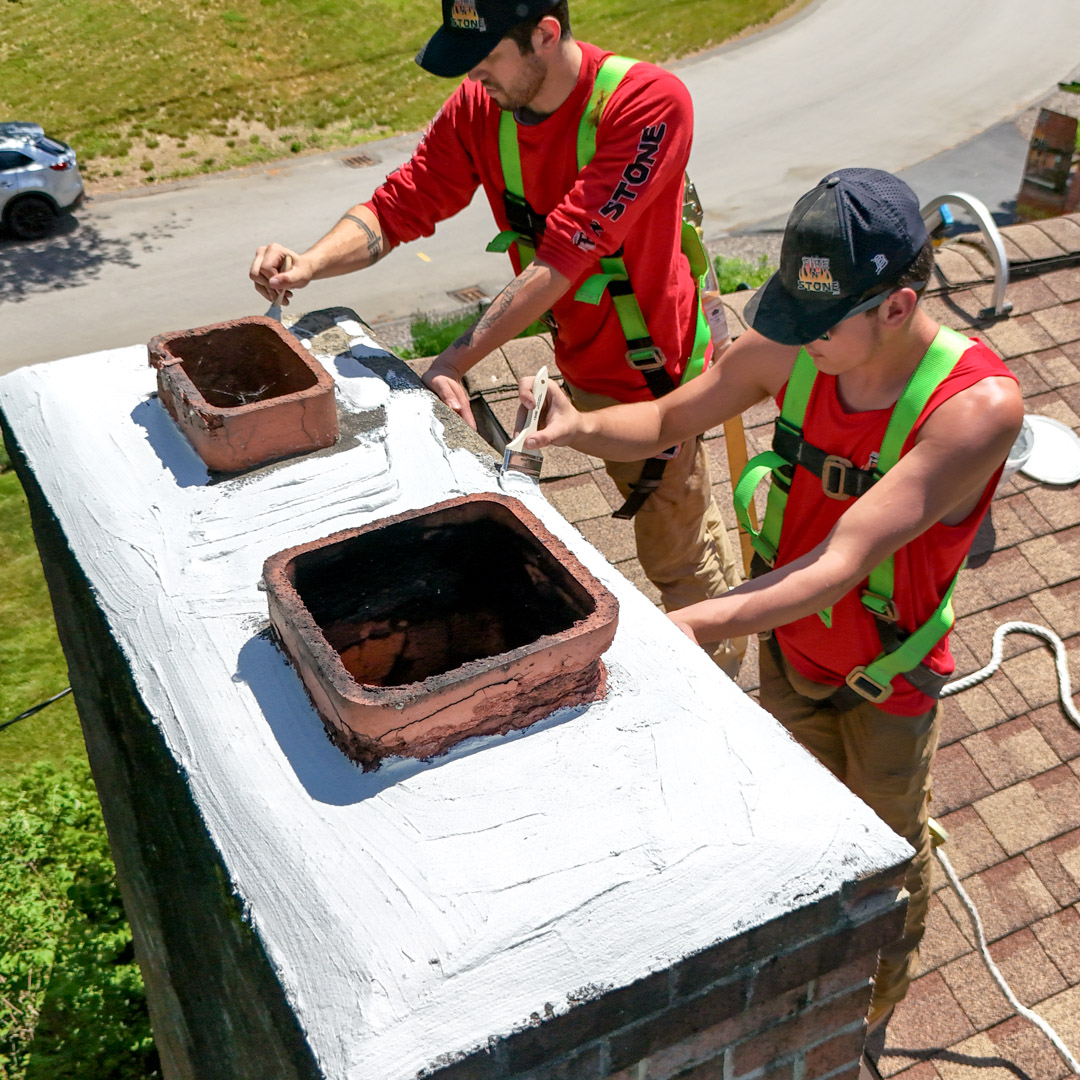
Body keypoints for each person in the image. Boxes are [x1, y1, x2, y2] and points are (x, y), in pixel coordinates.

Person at [517, 168, 1023, 1027]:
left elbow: (840, 562)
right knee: (805, 833)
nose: (802, 340)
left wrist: (677, 627)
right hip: (794, 652)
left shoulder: (976, 408)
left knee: (887, 869)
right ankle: (806, 989)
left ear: (896, 307)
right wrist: (580, 427)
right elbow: (673, 417)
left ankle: (869, 1014)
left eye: (822, 323)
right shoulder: (803, 347)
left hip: (886, 682)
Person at [248, 0, 744, 676]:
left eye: (486, 60)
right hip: (581, 357)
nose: (475, 79)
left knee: (678, 558)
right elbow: (403, 203)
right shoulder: (486, 106)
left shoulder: (647, 104)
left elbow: (564, 259)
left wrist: (453, 361)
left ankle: (718, 681)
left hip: (651, 379)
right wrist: (310, 262)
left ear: (544, 34)